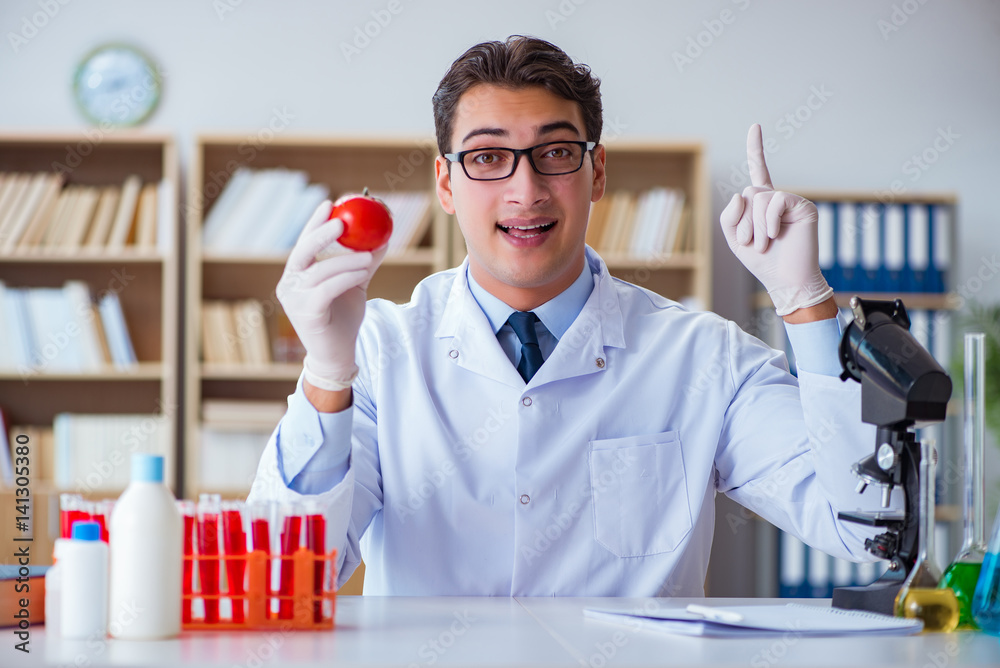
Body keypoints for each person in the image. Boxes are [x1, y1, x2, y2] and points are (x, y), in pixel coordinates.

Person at [248, 35, 894, 596]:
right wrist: (328, 374)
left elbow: (868, 528)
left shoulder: (703, 357)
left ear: (597, 170)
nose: (525, 190)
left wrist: (805, 302)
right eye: (487, 157)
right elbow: (285, 575)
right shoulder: (380, 350)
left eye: (555, 153)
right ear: (446, 184)